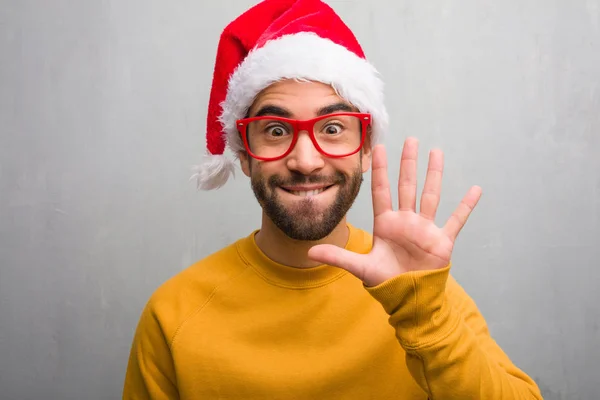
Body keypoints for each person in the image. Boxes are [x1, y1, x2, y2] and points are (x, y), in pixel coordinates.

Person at [122, 0, 543, 398]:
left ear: (364, 149)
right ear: (245, 155)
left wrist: (425, 318)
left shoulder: (418, 286)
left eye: (333, 128)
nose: (305, 161)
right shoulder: (174, 314)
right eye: (275, 130)